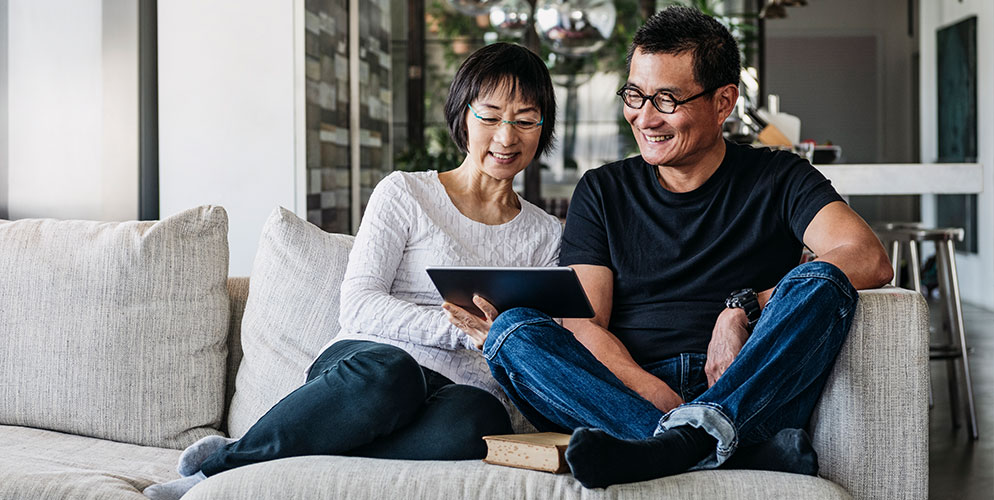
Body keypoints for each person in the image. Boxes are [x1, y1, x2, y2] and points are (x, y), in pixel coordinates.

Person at [443, 6, 893, 489]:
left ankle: (665, 448)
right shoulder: (603, 190)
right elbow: (585, 322)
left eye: (666, 100)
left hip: (749, 379)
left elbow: (867, 257)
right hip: (628, 391)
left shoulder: (779, 177)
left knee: (822, 279)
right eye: (635, 95)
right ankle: (712, 444)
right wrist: (653, 393)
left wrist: (744, 308)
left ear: (724, 102)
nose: (645, 117)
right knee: (512, 332)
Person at [143, 42, 561, 500]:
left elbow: (537, 333)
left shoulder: (545, 235)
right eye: (491, 115)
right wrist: (462, 329)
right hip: (367, 369)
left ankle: (296, 447)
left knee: (478, 422)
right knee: (394, 374)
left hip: (458, 391)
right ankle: (217, 470)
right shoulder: (405, 193)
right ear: (463, 114)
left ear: (543, 128)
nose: (507, 136)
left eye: (525, 119)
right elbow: (359, 304)